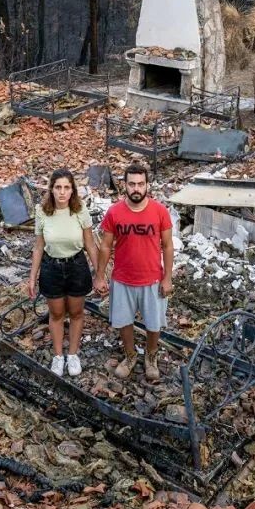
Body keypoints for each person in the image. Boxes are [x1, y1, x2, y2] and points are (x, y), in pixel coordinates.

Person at [94, 161, 174, 383]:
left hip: (152, 278)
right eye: (132, 184)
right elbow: (105, 246)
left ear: (147, 185)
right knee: (124, 321)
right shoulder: (114, 212)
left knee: (154, 322)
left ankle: (150, 356)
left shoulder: (159, 211)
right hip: (122, 278)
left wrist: (168, 277)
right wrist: (100, 276)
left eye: (140, 184)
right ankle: (130, 356)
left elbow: (167, 245)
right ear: (125, 186)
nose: (136, 188)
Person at [28, 168, 98, 377]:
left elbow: (90, 243)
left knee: (76, 313)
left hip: (76, 266)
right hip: (52, 267)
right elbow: (39, 247)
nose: (62, 192)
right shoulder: (42, 212)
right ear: (51, 190)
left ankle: (73, 354)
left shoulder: (79, 210)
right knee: (57, 313)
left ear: (72, 190)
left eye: (67, 188)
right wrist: (32, 277)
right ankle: (58, 356)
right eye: (58, 187)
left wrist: (101, 274)